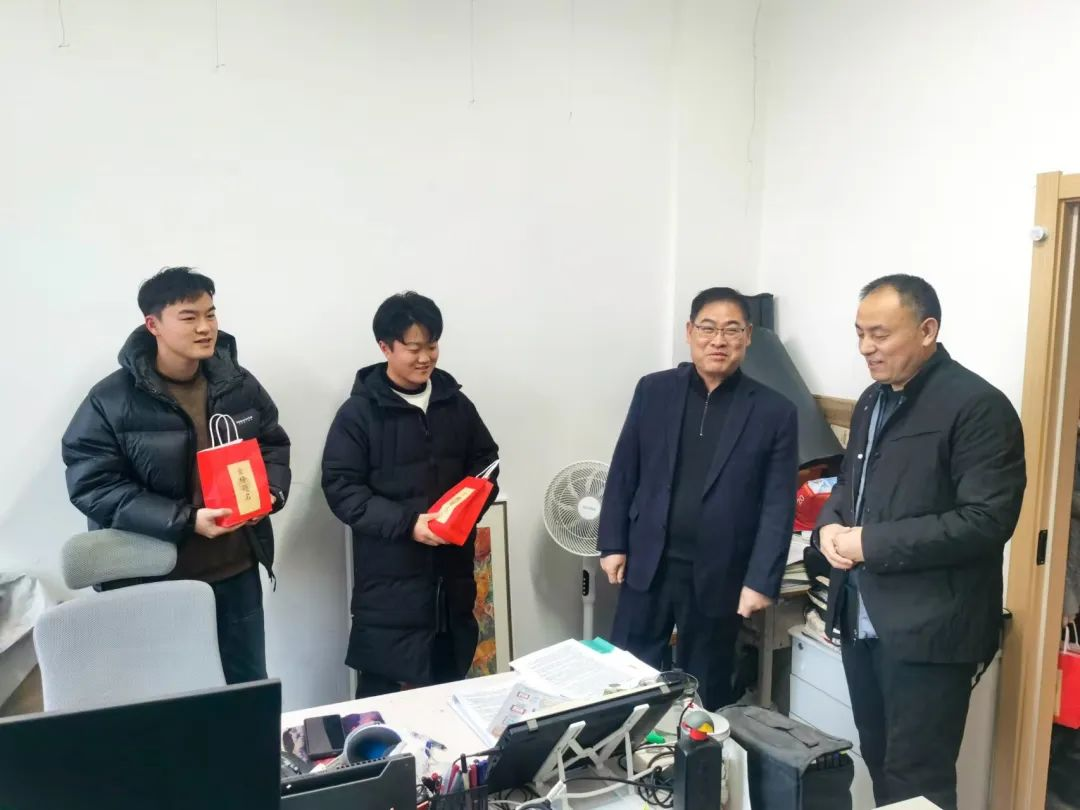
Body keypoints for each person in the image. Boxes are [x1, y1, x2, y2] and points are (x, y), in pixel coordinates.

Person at [814, 274, 1026, 810]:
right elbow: (849, 485)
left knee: (919, 779)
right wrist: (830, 527)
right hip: (861, 617)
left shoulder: (977, 406)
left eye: (880, 334)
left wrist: (870, 543)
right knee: (878, 757)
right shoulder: (872, 400)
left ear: (927, 330)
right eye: (860, 333)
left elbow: (986, 520)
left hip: (930, 632)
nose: (866, 348)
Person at [62, 267, 291, 683]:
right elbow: (93, 484)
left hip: (236, 570)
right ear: (153, 325)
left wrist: (271, 492)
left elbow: (272, 443)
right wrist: (185, 520)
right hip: (156, 578)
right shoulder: (110, 400)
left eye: (211, 314)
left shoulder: (237, 384)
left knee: (246, 688)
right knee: (170, 694)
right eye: (189, 317)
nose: (205, 327)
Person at [598, 286, 799, 709]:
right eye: (708, 328)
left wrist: (761, 581)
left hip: (719, 573)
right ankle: (626, 746)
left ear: (748, 336)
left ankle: (695, 751)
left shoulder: (775, 412)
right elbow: (624, 469)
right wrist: (613, 542)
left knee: (705, 687)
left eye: (731, 330)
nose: (718, 340)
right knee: (628, 677)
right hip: (648, 564)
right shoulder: (654, 391)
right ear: (689, 332)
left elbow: (778, 505)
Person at [321, 291, 499, 698]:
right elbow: (342, 489)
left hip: (452, 580)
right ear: (385, 347)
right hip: (389, 589)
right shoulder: (359, 414)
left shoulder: (455, 404)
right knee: (383, 706)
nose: (425, 358)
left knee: (449, 695)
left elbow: (487, 463)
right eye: (413, 348)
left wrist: (465, 512)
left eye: (432, 346)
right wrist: (409, 524)